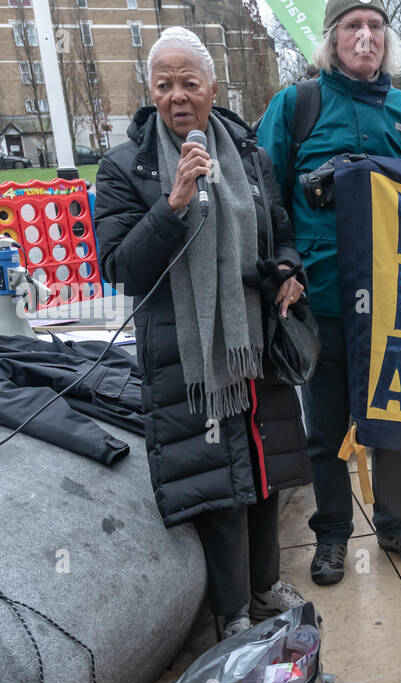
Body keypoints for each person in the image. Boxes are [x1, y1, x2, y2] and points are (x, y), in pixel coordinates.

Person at [94, 27, 310, 640]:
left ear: (213, 89)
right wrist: (174, 202)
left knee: (264, 474)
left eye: (189, 82)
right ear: (152, 93)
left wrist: (289, 271)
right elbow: (121, 269)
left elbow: (281, 229)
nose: (177, 95)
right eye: (164, 85)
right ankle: (233, 614)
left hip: (255, 343)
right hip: (187, 357)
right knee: (218, 484)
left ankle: (267, 586)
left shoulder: (246, 153)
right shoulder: (124, 167)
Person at [256, 0, 401, 586]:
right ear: (332, 38)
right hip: (324, 301)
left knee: (395, 422)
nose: (365, 36)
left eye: (375, 27)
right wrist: (281, 266)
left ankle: (394, 524)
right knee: (325, 427)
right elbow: (263, 191)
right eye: (352, 27)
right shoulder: (298, 105)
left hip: (395, 302)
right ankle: (332, 535)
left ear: (386, 40)